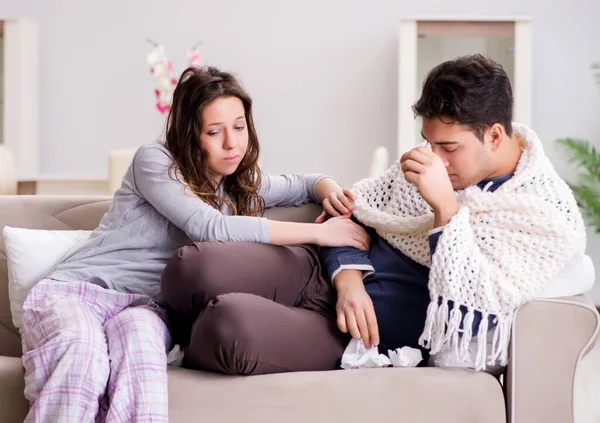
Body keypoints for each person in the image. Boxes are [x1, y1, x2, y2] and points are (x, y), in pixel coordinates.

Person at [20, 66, 369, 423]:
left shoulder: (239, 185)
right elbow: (210, 227)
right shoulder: (154, 160)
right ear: (190, 135)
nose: (231, 143)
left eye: (239, 127)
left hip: (145, 309)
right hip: (79, 291)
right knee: (82, 356)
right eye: (215, 132)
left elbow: (307, 183)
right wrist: (318, 234)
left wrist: (332, 193)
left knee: (141, 369)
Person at [319, 54, 587, 371]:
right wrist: (348, 283)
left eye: (449, 148)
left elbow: (468, 310)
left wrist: (445, 207)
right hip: (326, 282)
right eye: (429, 143)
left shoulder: (542, 212)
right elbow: (348, 215)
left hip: (346, 334)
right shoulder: (429, 166)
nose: (436, 159)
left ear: (495, 135)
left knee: (245, 326)